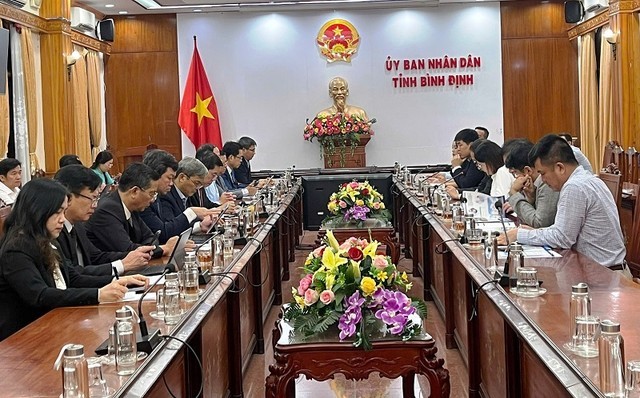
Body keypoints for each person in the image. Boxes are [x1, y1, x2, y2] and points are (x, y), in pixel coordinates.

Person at [0, 178, 147, 341]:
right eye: (57, 212)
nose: (62, 219)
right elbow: (40, 295)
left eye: (63, 211)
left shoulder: (45, 238)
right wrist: (98, 294)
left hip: (56, 322)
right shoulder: (16, 248)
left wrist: (118, 281)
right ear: (37, 211)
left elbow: (73, 277)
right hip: (25, 337)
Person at [501, 135, 626, 269]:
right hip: (600, 269)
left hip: (604, 275)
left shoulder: (574, 187)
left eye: (543, 173)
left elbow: (562, 238)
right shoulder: (587, 179)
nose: (542, 180)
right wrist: (534, 232)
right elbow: (563, 231)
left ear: (560, 168)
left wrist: (519, 234)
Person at [54, 165, 153, 275]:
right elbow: (73, 276)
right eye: (92, 198)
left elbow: (96, 257)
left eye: (97, 199)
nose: (95, 205)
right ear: (68, 197)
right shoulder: (54, 232)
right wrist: (122, 265)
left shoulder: (77, 225)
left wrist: (132, 256)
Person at [85, 163, 177, 258]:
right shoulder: (106, 210)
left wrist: (150, 247)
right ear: (134, 191)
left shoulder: (133, 207)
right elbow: (127, 250)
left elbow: (150, 237)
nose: (153, 199)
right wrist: (163, 249)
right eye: (152, 193)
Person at [141, 157, 218, 243]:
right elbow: (166, 232)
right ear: (182, 178)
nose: (171, 183)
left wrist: (199, 226)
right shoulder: (165, 196)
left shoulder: (187, 193)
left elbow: (179, 225)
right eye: (197, 183)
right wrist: (191, 212)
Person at [504, 140, 559, 228]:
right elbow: (525, 223)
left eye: (515, 173)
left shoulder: (546, 184)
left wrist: (514, 193)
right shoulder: (533, 186)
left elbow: (539, 224)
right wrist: (530, 200)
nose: (515, 178)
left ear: (527, 171)